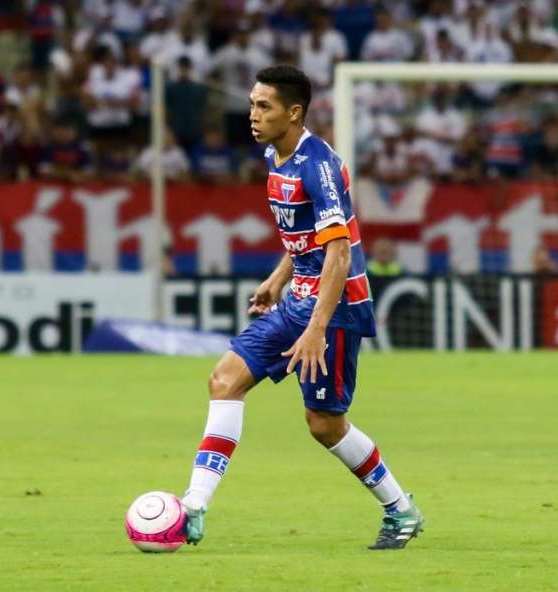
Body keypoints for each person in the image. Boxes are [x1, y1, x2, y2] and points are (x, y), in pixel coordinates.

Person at [178, 65, 425, 551]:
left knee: (324, 424)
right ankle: (193, 507)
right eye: (251, 103)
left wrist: (316, 328)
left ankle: (400, 509)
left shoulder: (319, 166)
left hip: (334, 309)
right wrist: (277, 279)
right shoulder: (276, 155)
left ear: (293, 112)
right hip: (299, 300)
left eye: (263, 106)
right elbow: (305, 239)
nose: (252, 114)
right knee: (224, 380)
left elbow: (339, 251)